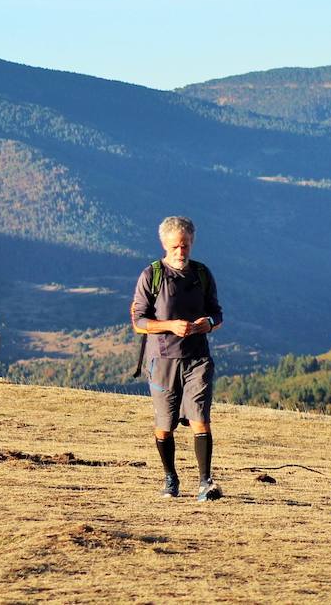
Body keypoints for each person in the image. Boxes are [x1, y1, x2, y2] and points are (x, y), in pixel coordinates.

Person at [130, 215, 224, 502]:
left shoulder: (202, 274)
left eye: (185, 246)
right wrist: (170, 325)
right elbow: (138, 321)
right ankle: (170, 477)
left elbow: (217, 314)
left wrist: (206, 323)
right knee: (164, 424)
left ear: (192, 243)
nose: (180, 252)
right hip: (163, 359)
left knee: (200, 419)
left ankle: (205, 483)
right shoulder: (152, 275)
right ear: (164, 244)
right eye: (175, 247)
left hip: (198, 357)